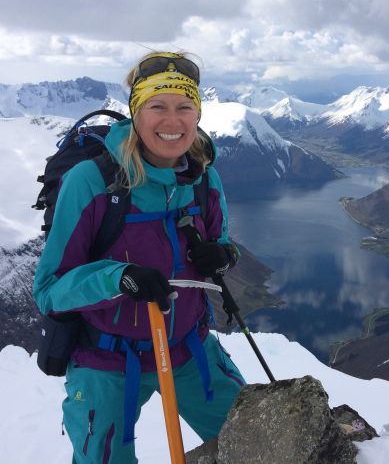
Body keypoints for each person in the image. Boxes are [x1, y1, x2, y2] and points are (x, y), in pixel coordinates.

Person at [33, 51, 245, 463]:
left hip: (190, 351)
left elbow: (226, 245)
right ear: (135, 112)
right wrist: (118, 278)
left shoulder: (203, 176)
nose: (173, 121)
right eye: (157, 106)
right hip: (107, 361)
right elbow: (49, 291)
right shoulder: (92, 182)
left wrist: (221, 255)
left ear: (197, 114)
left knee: (258, 440)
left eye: (185, 107)